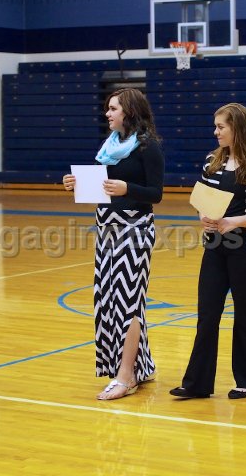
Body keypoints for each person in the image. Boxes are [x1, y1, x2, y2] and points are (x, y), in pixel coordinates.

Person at [170, 103, 246, 400]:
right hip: (215, 248)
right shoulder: (213, 160)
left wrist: (236, 221)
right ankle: (197, 384)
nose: (215, 132)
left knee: (245, 313)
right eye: (216, 126)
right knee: (207, 315)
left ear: (238, 128)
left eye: (221, 127)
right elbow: (201, 199)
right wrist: (203, 217)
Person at [62, 88, 164, 400]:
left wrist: (126, 188)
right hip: (106, 230)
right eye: (108, 108)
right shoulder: (110, 146)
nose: (107, 113)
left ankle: (126, 376)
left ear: (129, 111)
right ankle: (142, 365)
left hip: (134, 230)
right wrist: (77, 185)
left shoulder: (148, 146)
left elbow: (156, 193)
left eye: (113, 108)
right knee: (108, 301)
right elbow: (102, 189)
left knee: (128, 302)